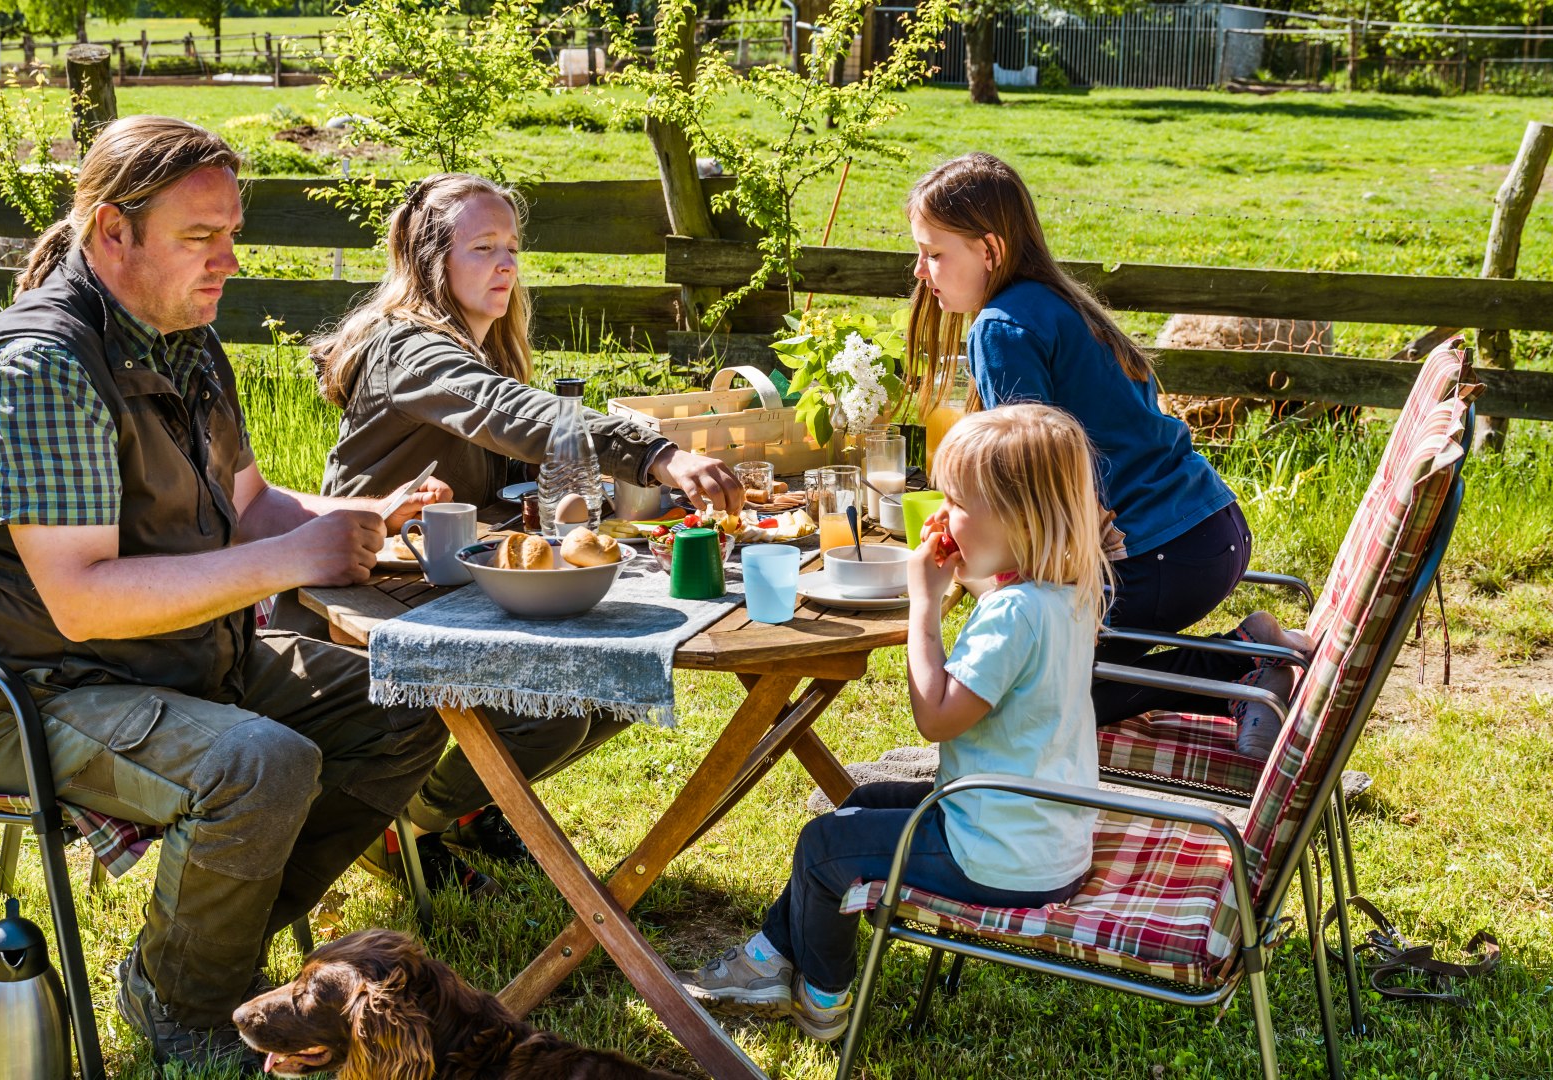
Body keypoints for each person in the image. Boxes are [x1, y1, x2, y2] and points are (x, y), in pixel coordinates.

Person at [0, 116, 454, 1075]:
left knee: (408, 704)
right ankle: (182, 1004)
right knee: (260, 765)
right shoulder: (43, 369)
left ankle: (212, 951)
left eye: (232, 235)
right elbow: (82, 601)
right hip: (42, 689)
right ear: (112, 234)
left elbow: (250, 504)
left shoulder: (183, 338)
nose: (227, 260)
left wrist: (363, 513)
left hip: (187, 660)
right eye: (198, 238)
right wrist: (298, 558)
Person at [290, 172, 745, 894]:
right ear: (430, 260)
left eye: (512, 247)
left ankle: (467, 810)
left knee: (612, 682)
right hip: (363, 591)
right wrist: (658, 453)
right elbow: (506, 410)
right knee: (557, 714)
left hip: (450, 582)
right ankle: (403, 825)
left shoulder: (483, 345)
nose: (506, 264)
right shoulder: (409, 349)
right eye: (483, 248)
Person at [676, 404, 1107, 1042]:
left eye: (956, 500)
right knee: (866, 800)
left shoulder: (1013, 614)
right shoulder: (1064, 592)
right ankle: (769, 957)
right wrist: (970, 575)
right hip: (1046, 835)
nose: (940, 515)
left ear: (1016, 516)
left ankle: (822, 1000)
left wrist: (925, 605)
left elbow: (935, 717)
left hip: (996, 854)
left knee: (823, 846)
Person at [903, 152, 1306, 757]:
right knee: (1053, 680)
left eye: (935, 253)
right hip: (1209, 531)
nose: (920, 271)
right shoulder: (1057, 301)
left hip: (1153, 554)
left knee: (1032, 696)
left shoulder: (1001, 327)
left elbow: (1025, 476)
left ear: (988, 248)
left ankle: (1242, 667)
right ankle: (1244, 656)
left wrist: (975, 565)